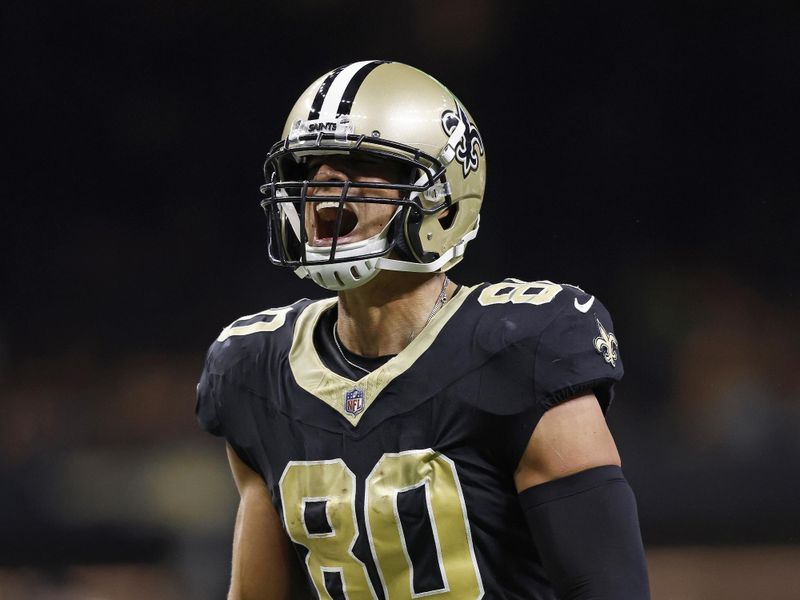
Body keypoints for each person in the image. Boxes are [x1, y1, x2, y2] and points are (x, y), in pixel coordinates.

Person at [196, 60, 650, 599]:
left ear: (444, 199)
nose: (322, 184)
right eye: (311, 164)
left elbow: (608, 589)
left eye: (359, 165)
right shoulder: (254, 370)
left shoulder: (525, 347)